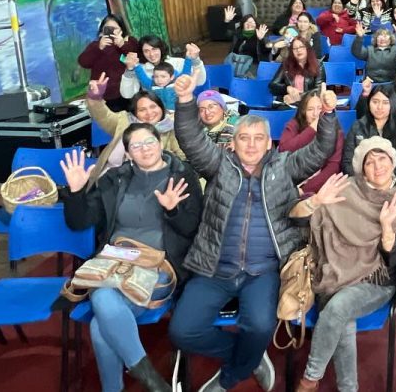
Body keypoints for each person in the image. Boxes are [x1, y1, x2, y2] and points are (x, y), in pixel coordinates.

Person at [169, 75, 340, 392]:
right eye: (244, 138)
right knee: (182, 330)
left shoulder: (285, 166)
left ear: (269, 142)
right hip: (215, 267)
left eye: (258, 138)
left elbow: (320, 150)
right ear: (232, 142)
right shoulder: (219, 164)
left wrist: (328, 116)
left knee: (260, 325)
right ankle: (247, 359)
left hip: (263, 270)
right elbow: (191, 139)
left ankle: (231, 376)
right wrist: (183, 102)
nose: (250, 145)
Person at [61, 131, 202, 392]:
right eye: (136, 145)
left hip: (159, 266)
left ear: (160, 143)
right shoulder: (115, 179)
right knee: (102, 316)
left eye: (149, 142)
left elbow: (191, 228)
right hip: (114, 262)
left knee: (101, 303)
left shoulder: (183, 176)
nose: (145, 149)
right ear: (127, 153)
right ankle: (150, 382)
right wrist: (77, 192)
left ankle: (143, 385)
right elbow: (79, 221)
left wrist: (172, 210)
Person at [292, 139, 396, 392]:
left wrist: (386, 228)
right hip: (337, 271)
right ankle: (348, 389)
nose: (377, 166)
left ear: (392, 161)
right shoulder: (345, 190)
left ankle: (309, 380)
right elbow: (297, 223)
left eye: (382, 158)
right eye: (369, 161)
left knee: (338, 306)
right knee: (343, 317)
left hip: (378, 280)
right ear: (361, 168)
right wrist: (316, 202)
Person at [341, 85, 396, 217]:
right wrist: (366, 183)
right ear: (369, 103)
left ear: (393, 104)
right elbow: (347, 162)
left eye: (385, 102)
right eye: (375, 102)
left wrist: (392, 184)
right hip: (366, 188)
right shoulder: (358, 126)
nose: (379, 107)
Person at [86, 73, 184, 180]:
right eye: (142, 110)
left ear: (161, 107)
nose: (149, 112)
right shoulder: (124, 121)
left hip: (147, 183)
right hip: (109, 178)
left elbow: (182, 159)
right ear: (135, 113)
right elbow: (103, 116)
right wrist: (95, 98)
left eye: (153, 107)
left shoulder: (171, 126)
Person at [278, 91, 345, 193]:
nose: (315, 114)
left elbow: (333, 166)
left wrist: (304, 190)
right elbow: (283, 150)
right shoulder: (294, 124)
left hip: (319, 187)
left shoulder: (335, 131)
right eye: (310, 109)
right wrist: (312, 128)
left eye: (320, 109)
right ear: (303, 111)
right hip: (292, 181)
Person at [78, 15, 140, 113]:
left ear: (121, 30)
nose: (111, 32)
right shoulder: (95, 45)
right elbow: (83, 62)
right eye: (107, 29)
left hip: (128, 92)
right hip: (104, 96)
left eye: (114, 29)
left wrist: (121, 44)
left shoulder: (130, 41)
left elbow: (136, 55)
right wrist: (99, 48)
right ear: (102, 30)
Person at [120, 37, 205, 99]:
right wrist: (130, 69)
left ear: (161, 48)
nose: (151, 54)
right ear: (142, 53)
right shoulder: (141, 69)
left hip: (180, 107)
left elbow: (200, 81)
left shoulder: (178, 62)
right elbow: (127, 95)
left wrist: (195, 60)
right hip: (156, 111)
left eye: (154, 49)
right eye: (146, 51)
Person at [268, 36, 324, 107]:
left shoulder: (318, 64)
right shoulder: (286, 64)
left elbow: (318, 90)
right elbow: (273, 85)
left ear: (307, 49)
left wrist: (299, 97)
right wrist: (287, 88)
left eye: (301, 47)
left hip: (309, 103)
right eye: (295, 48)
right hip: (288, 103)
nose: (298, 50)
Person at [223, 9, 268, 78]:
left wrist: (261, 40)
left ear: (256, 25)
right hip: (235, 62)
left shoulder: (260, 35)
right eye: (246, 22)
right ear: (242, 25)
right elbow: (226, 35)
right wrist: (227, 21)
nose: (249, 24)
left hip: (253, 65)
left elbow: (266, 52)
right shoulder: (237, 35)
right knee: (225, 78)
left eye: (252, 22)